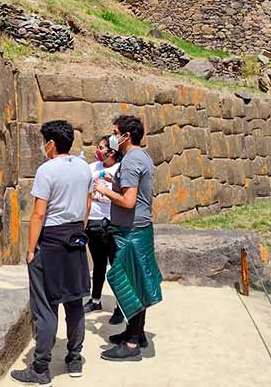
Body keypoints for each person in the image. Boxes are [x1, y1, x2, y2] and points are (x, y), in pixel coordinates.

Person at [11, 120, 93, 385]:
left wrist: (30, 249)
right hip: (75, 237)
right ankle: (74, 358)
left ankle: (41, 367)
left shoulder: (46, 170)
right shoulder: (83, 166)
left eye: (43, 141)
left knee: (46, 305)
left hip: (51, 239)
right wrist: (79, 228)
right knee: (74, 301)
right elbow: (88, 202)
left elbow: (38, 213)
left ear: (50, 144)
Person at [94, 115, 163, 362]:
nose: (112, 136)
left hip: (131, 232)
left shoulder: (132, 160)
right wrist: (116, 183)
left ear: (126, 136)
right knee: (137, 282)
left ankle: (132, 345)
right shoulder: (138, 156)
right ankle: (137, 333)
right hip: (136, 228)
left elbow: (129, 201)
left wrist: (105, 191)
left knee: (131, 285)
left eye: (115, 132)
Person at [84, 136, 121, 314]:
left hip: (112, 222)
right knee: (98, 264)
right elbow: (85, 185)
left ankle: (120, 306)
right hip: (94, 221)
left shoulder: (120, 169)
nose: (97, 150)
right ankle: (95, 299)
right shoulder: (93, 167)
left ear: (111, 152)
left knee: (116, 265)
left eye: (101, 147)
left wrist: (110, 182)